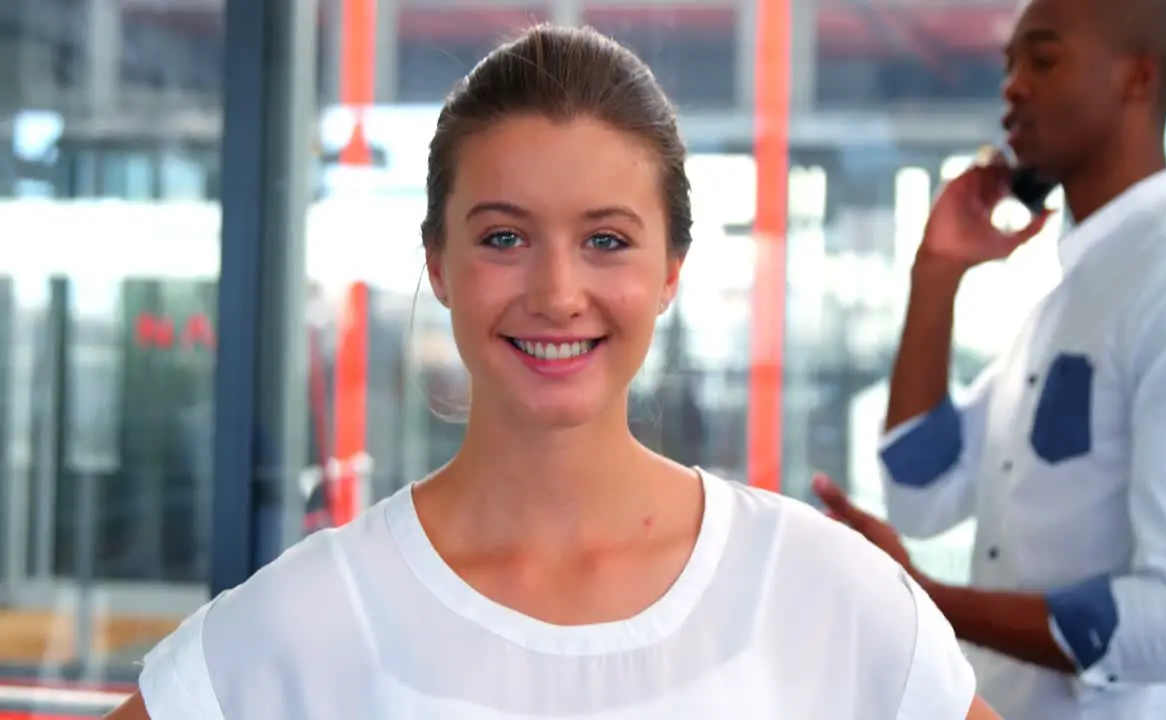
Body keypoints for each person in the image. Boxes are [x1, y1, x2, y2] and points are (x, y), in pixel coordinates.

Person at [106, 25, 1000, 720]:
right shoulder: (315, 614)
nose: (557, 293)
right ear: (440, 264)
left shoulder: (817, 591)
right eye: (504, 238)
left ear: (670, 273)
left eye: (606, 240)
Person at [815, 0, 1166, 719]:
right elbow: (922, 488)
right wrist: (934, 273)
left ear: (1138, 77)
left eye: (1043, 58)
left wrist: (929, 602)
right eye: (1008, 65)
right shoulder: (1067, 304)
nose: (1012, 85)